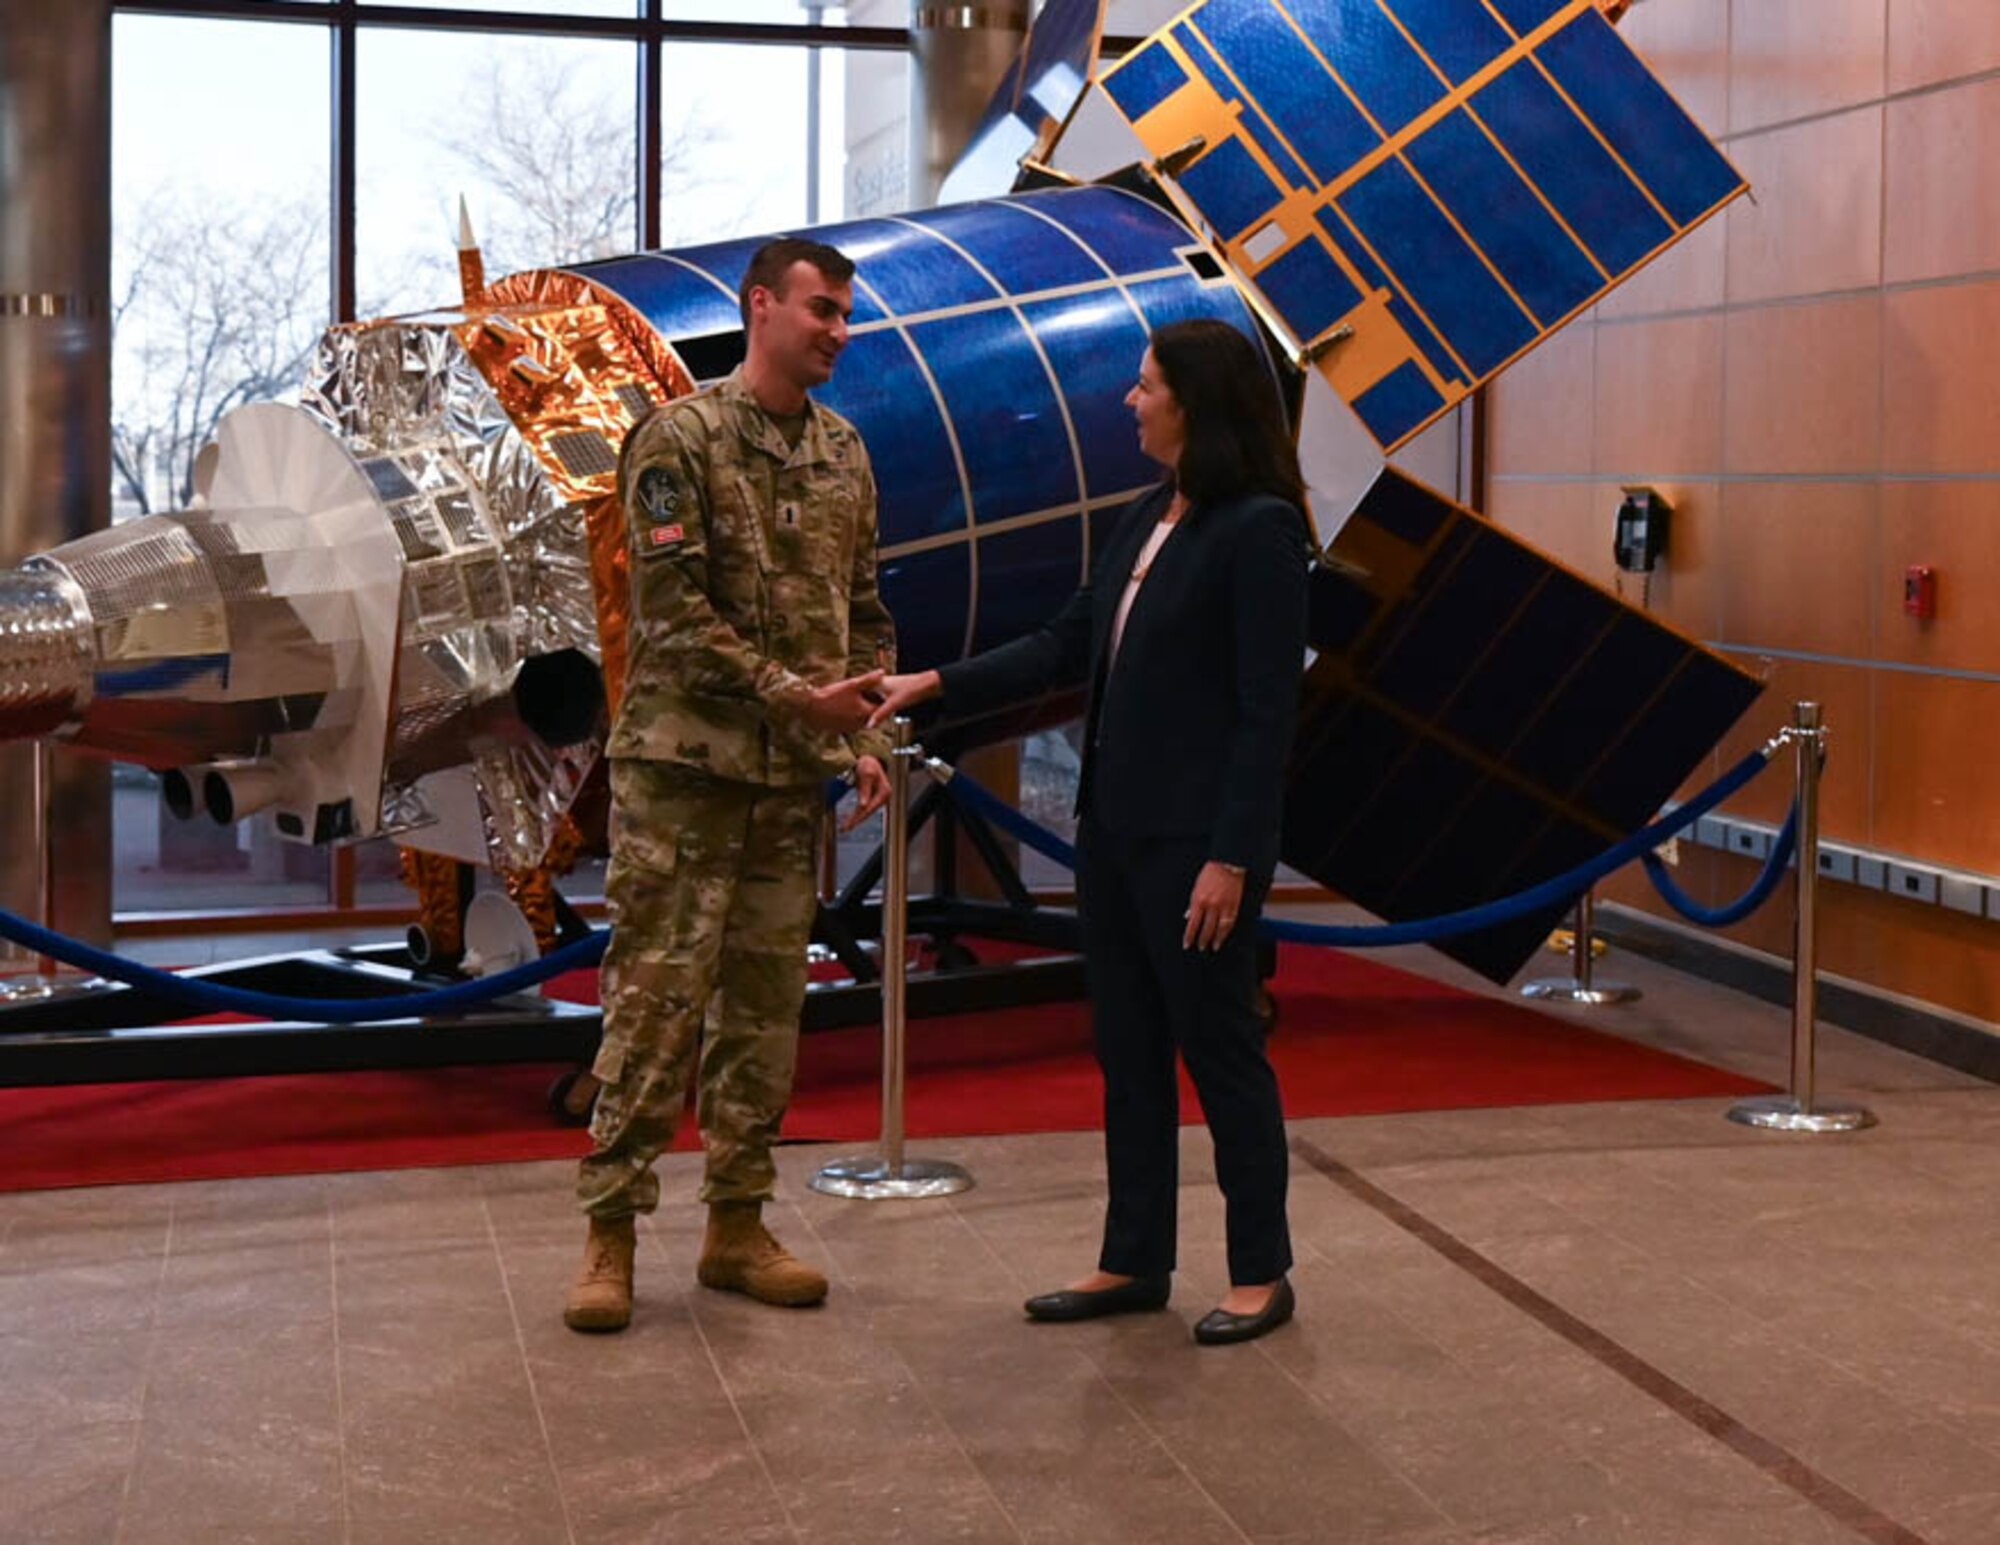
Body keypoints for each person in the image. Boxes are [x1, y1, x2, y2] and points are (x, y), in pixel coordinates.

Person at [865, 318, 1313, 1346]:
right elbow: (1065, 643)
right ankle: (1133, 1257)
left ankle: (1260, 1271)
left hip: (1193, 848)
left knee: (1222, 1053)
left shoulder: (1257, 532)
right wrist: (931, 685)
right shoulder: (1151, 513)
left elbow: (1262, 717)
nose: (1128, 398)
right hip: (1113, 838)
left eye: (1146, 383)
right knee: (1129, 1054)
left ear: (1193, 403)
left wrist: (1231, 860)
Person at [565, 237, 895, 1333]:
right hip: (683, 777)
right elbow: (671, 614)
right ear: (761, 307)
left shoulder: (844, 452)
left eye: (846, 315)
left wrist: (864, 735)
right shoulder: (680, 441)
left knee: (764, 1012)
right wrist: (796, 700)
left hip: (782, 787)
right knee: (656, 1006)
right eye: (821, 311)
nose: (837, 331)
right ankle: (608, 1236)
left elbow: (861, 612)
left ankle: (735, 1227)